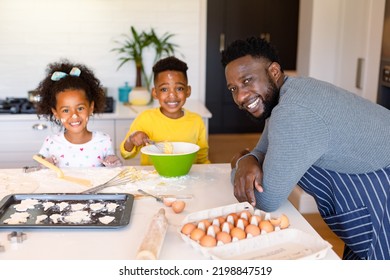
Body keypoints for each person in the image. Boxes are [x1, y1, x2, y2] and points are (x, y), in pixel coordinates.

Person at [221, 37, 390, 260]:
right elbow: (263, 149)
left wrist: (239, 163)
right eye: (233, 88)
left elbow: (265, 199)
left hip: (381, 194)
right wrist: (247, 160)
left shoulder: (294, 111)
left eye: (247, 81)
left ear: (273, 71)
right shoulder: (290, 94)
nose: (241, 96)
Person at [120, 56, 210, 165]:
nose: (172, 95)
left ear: (188, 91)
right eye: (164, 89)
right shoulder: (145, 119)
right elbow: (126, 154)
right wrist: (131, 140)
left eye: (179, 88)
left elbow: (202, 159)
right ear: (155, 93)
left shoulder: (196, 121)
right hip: (153, 179)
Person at [35, 59, 122, 168]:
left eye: (80, 108)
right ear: (56, 113)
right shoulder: (51, 142)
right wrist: (45, 166)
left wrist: (114, 163)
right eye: (66, 110)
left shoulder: (103, 140)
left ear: (91, 107)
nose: (74, 115)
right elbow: (40, 171)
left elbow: (112, 172)